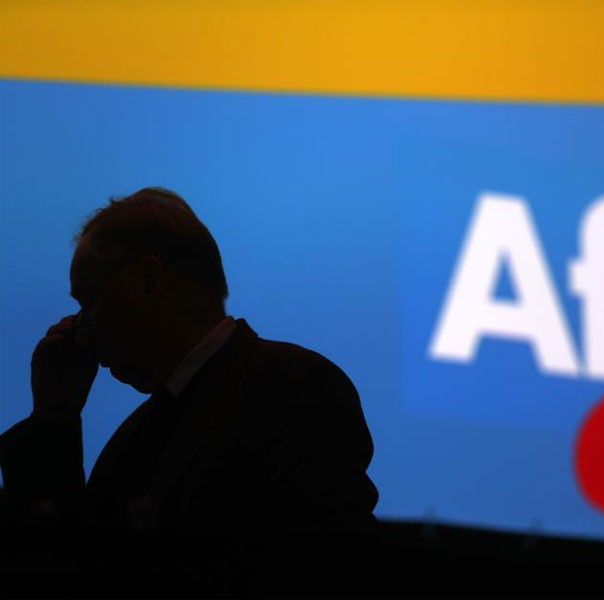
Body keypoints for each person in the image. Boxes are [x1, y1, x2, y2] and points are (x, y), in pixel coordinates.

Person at [0, 187, 379, 596]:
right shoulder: (138, 433)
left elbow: (332, 569)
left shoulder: (296, 388)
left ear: (148, 281)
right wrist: (54, 419)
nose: (80, 331)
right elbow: (65, 563)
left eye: (89, 301)